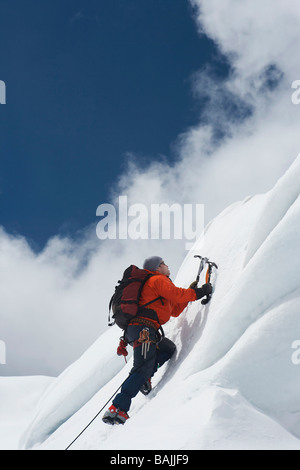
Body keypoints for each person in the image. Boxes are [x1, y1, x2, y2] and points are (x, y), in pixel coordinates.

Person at [102, 255, 212, 425]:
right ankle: (118, 408)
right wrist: (200, 292)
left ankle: (144, 379)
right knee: (140, 368)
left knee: (167, 348)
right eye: (164, 263)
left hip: (138, 331)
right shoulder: (157, 280)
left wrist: (193, 292)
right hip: (144, 330)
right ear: (158, 267)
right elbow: (177, 294)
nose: (168, 266)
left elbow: (174, 309)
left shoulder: (153, 285)